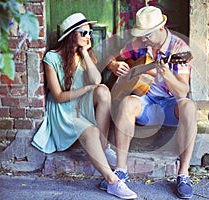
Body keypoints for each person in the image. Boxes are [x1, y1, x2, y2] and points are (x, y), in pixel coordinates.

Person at [31, 13, 137, 199]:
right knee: (91, 132)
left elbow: (97, 81)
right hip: (64, 111)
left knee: (103, 90)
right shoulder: (52, 58)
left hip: (82, 105)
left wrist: (85, 53)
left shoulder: (85, 54)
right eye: (84, 32)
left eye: (90, 32)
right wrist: (87, 88)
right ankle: (113, 182)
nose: (89, 36)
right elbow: (58, 96)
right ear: (72, 35)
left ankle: (102, 148)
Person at [102, 6, 197, 199]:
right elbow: (110, 56)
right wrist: (114, 65)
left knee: (189, 107)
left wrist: (166, 73)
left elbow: (182, 92)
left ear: (161, 28)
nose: (143, 39)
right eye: (142, 35)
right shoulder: (140, 44)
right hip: (147, 102)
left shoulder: (180, 50)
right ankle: (120, 171)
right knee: (127, 103)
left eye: (147, 35)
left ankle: (183, 174)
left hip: (170, 106)